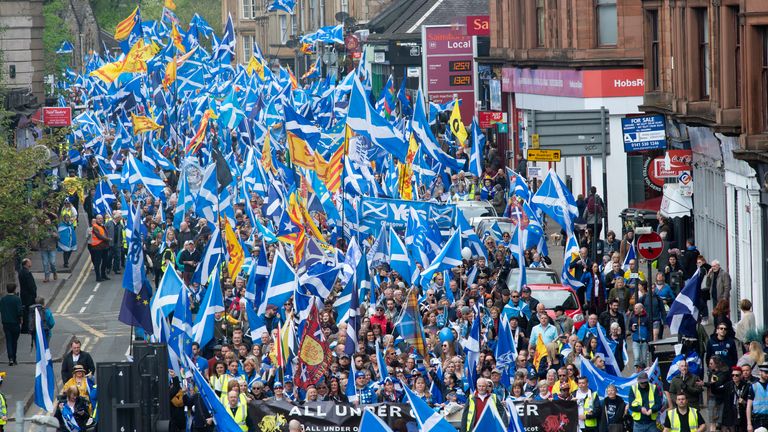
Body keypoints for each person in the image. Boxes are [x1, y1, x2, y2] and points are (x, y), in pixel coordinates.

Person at [0, 284, 22, 366]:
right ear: (14, 290)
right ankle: (14, 358)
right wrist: (21, 319)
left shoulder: (3, 299)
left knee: (8, 340)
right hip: (15, 323)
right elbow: (19, 311)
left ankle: (10, 358)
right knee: (14, 341)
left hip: (6, 323)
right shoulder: (17, 299)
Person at [89, 215, 111, 282]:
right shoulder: (95, 227)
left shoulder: (102, 226)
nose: (100, 220)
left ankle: (103, 275)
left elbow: (105, 234)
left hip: (104, 247)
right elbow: (99, 236)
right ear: (96, 219)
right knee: (97, 263)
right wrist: (108, 239)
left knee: (105, 261)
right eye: (99, 219)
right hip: (97, 247)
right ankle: (98, 277)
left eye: (101, 218)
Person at [18, 258, 37, 334]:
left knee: (25, 311)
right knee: (28, 312)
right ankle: (27, 328)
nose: (31, 263)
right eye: (29, 262)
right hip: (29, 296)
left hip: (24, 295)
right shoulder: (27, 273)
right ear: (26, 264)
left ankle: (25, 328)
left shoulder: (21, 272)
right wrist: (34, 292)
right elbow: (31, 285)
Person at [40, 217, 59, 283]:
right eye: (46, 222)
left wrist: (56, 235)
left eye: (48, 222)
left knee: (52, 263)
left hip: (52, 248)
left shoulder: (53, 228)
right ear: (44, 223)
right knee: (45, 263)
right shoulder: (41, 229)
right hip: (44, 248)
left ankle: (54, 272)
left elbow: (59, 238)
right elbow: (38, 238)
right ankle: (47, 277)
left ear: (50, 222)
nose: (47, 223)